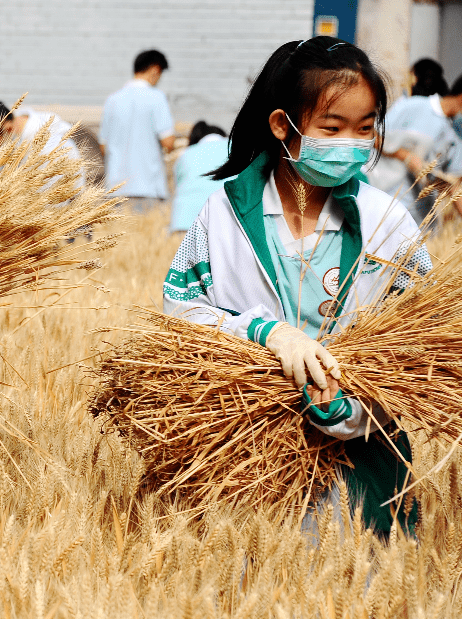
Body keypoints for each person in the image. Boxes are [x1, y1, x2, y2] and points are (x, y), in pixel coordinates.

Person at [163, 37, 431, 541]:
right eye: (332, 128)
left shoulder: (388, 223)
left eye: (365, 127)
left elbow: (419, 353)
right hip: (242, 462)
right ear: (282, 125)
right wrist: (265, 333)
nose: (352, 142)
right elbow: (180, 315)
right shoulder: (224, 215)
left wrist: (351, 409)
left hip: (362, 472)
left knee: (357, 606)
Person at [365, 59, 462, 225]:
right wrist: (406, 155)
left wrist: (438, 181)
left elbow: (453, 186)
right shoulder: (412, 106)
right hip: (381, 203)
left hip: (415, 220)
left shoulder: (454, 138)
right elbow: (370, 135)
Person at [99, 49, 175, 208]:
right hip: (148, 186)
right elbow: (168, 142)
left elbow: (103, 146)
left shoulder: (113, 100)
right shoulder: (157, 98)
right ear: (155, 70)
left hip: (116, 187)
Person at [168, 121, 230, 235]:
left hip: (183, 221)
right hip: (226, 220)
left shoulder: (185, 154)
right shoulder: (236, 148)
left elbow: (177, 188)